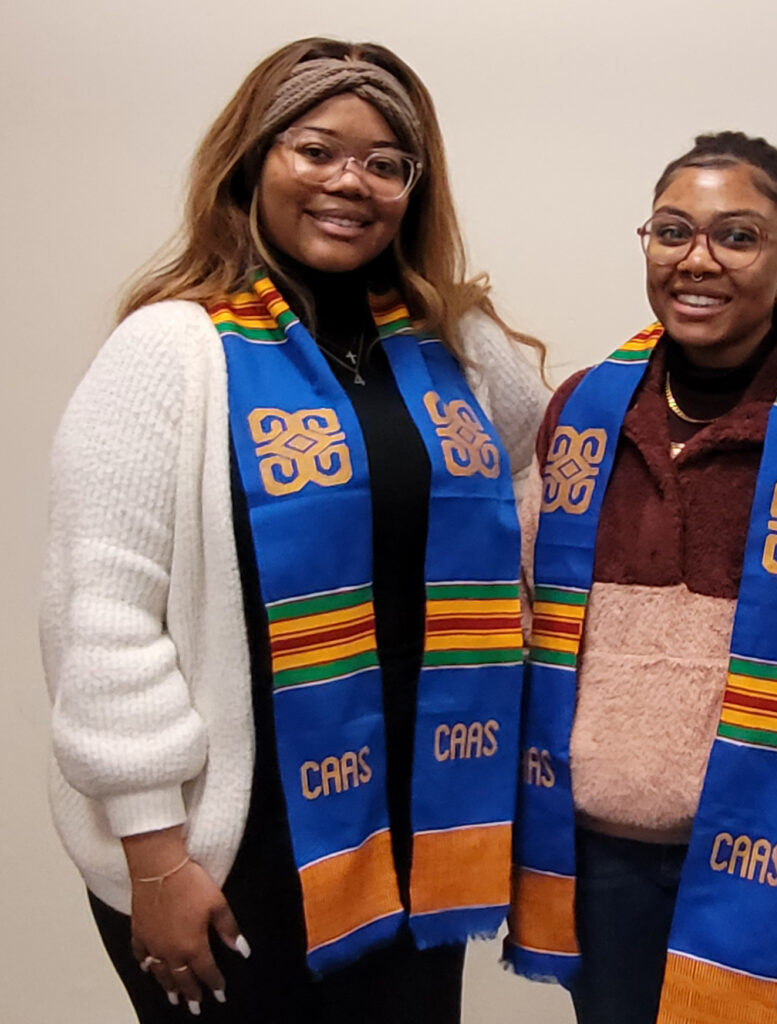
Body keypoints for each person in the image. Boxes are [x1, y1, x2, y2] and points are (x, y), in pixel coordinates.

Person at [41, 37, 548, 1024]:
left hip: (413, 835)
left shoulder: (455, 348)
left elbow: (549, 463)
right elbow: (99, 618)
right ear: (253, 159)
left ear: (415, 187)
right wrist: (155, 860)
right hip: (230, 852)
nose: (348, 182)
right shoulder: (172, 352)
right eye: (316, 150)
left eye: (384, 163)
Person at [505, 132, 777, 1024]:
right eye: (671, 231)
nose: (698, 259)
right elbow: (524, 623)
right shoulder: (582, 413)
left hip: (767, 883)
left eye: (736, 236)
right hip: (599, 869)